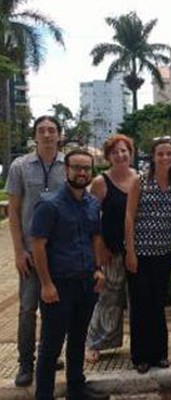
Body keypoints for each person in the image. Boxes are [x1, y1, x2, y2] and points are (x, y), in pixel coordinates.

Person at [30, 149, 107, 400]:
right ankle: (44, 395)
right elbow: (38, 245)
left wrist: (99, 270)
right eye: (77, 167)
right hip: (58, 285)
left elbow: (95, 238)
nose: (82, 172)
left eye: (87, 168)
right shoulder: (49, 205)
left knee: (78, 340)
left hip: (85, 283)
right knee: (51, 347)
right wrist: (46, 284)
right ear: (66, 170)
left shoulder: (93, 204)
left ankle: (76, 389)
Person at [6, 115, 65, 387]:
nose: (47, 135)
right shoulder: (19, 167)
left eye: (52, 130)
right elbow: (14, 212)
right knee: (28, 308)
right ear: (35, 136)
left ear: (59, 135)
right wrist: (19, 251)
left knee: (55, 308)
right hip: (30, 252)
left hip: (58, 252)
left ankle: (50, 355)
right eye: (42, 130)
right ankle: (25, 363)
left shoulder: (68, 165)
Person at [124, 136, 171, 374]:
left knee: (158, 304)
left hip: (163, 253)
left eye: (169, 153)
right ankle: (140, 356)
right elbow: (129, 216)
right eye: (160, 154)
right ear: (153, 156)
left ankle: (160, 353)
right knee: (140, 305)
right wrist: (130, 251)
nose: (165, 158)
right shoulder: (140, 181)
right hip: (141, 254)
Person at [86, 134, 137, 364]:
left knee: (138, 298)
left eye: (124, 151)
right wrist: (99, 247)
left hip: (137, 248)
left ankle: (141, 341)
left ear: (131, 153)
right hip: (111, 249)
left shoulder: (140, 177)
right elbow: (91, 219)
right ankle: (95, 343)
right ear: (108, 156)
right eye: (115, 152)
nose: (120, 155)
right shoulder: (100, 182)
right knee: (109, 298)